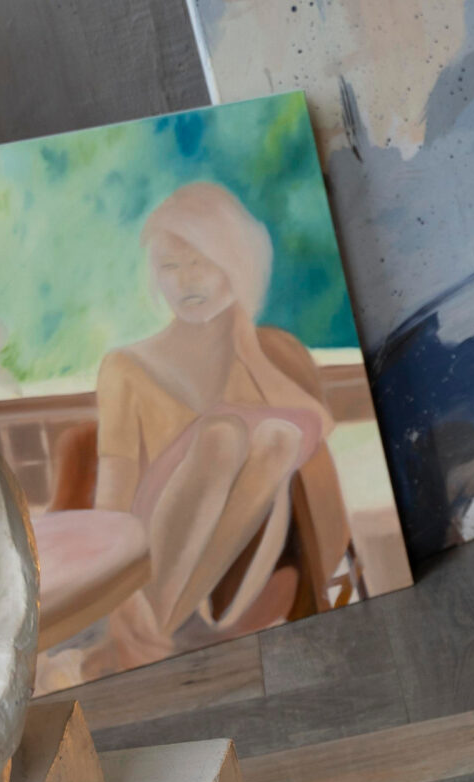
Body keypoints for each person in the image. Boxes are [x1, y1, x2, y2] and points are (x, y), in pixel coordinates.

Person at [88, 181, 351, 670]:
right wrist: (118, 595)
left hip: (231, 569)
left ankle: (164, 624)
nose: (185, 281)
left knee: (279, 436)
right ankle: (154, 622)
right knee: (223, 434)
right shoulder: (125, 367)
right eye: (170, 266)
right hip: (154, 549)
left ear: (234, 266)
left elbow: (319, 423)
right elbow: (113, 497)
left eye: (202, 262)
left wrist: (245, 341)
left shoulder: (261, 353)